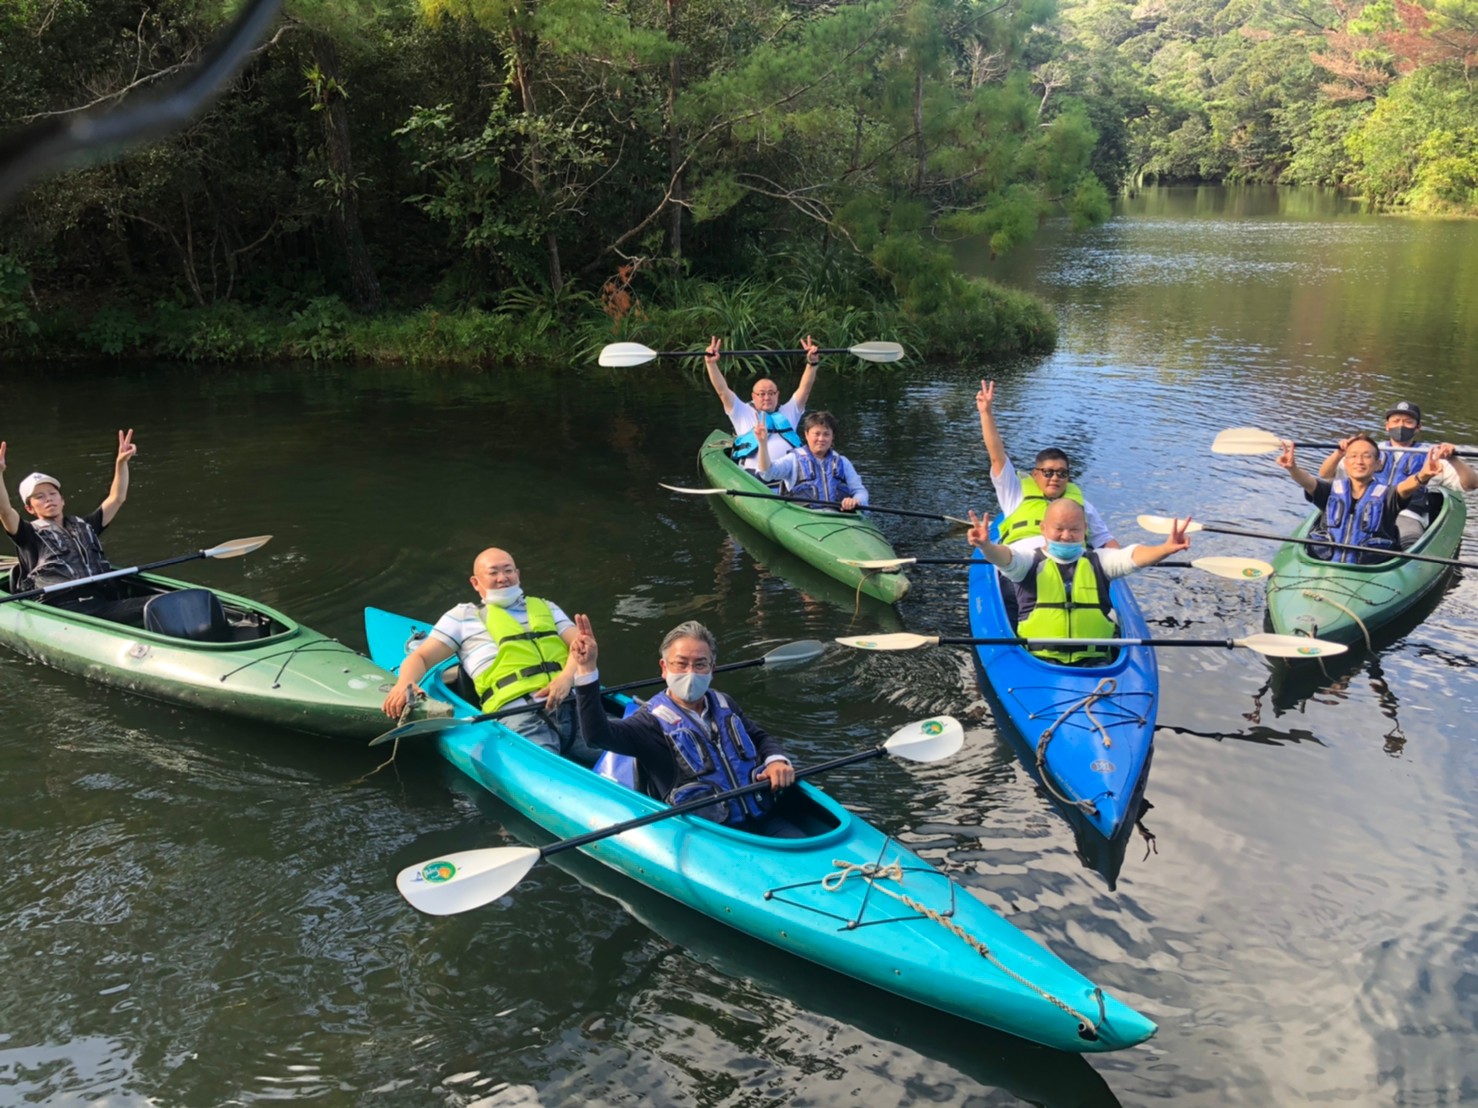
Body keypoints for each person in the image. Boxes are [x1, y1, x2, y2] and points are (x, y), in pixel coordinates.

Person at [569, 615, 805, 838]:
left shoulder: (723, 703)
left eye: (700, 665)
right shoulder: (648, 723)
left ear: (712, 668)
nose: (691, 673)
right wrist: (587, 671)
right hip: (707, 835)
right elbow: (597, 736)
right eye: (681, 664)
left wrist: (776, 761)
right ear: (664, 667)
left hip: (764, 817)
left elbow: (760, 737)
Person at [381, 547, 599, 766]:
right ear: (476, 583)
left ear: (518, 574)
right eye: (493, 572)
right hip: (519, 716)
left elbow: (581, 646)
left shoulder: (547, 607)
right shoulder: (462, 617)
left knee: (628, 752)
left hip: (574, 705)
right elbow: (420, 658)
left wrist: (566, 678)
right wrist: (405, 682)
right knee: (547, 767)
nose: (503, 578)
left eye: (508, 570)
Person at [967, 499, 1191, 665]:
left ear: (1085, 530)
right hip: (1040, 661)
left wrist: (1165, 549)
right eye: (1059, 529)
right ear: (1043, 529)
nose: (1066, 536)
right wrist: (986, 546)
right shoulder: (1028, 562)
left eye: (1075, 529)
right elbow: (1005, 558)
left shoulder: (1100, 562)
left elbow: (1131, 557)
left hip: (1097, 664)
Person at [0, 431, 149, 623]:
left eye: (52, 494)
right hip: (63, 608)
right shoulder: (27, 534)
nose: (48, 499)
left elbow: (117, 498)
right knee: (153, 608)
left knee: (163, 602)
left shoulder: (86, 526)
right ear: (29, 508)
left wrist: (121, 463)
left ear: (63, 500)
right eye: (39, 497)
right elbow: (4, 510)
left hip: (102, 599)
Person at [975, 380, 1119, 551]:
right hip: (1023, 564)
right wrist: (986, 413)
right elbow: (997, 457)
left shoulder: (1083, 507)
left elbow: (1104, 539)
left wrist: (1121, 563)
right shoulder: (1014, 492)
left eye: (1062, 473)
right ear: (1035, 474)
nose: (1055, 478)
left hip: (1071, 562)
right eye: (1048, 472)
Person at [1315, 400, 1478, 547]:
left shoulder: (1431, 455)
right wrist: (1339, 453)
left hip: (1408, 514)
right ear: (1387, 426)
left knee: (1409, 541)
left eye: (1408, 422)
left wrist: (1453, 458)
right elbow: (1326, 475)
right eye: (1396, 421)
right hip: (1365, 509)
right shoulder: (1368, 451)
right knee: (1333, 535)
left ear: (1418, 427)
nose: (1401, 426)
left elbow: (1471, 484)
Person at [1281, 434, 1440, 563]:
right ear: (1346, 462)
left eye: (1366, 456)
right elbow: (1307, 480)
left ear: (1377, 465)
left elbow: (1406, 487)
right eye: (1353, 456)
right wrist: (1292, 468)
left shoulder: (1388, 495)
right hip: (1324, 563)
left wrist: (1423, 475)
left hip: (1370, 570)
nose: (1359, 461)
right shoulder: (1331, 490)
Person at [706, 334, 821, 473]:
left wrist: (812, 363)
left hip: (789, 474)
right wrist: (711, 364)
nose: (767, 397)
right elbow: (722, 391)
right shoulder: (741, 411)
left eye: (771, 393)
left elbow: (805, 389)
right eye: (761, 394)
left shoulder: (789, 410)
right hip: (753, 477)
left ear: (778, 395)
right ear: (753, 396)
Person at [753, 410, 869, 511]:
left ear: (832, 437)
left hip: (838, 515)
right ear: (807, 435)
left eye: (826, 434)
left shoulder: (842, 462)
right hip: (805, 516)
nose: (821, 439)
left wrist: (856, 501)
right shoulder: (794, 459)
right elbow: (767, 474)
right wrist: (763, 444)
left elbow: (860, 491)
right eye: (816, 434)